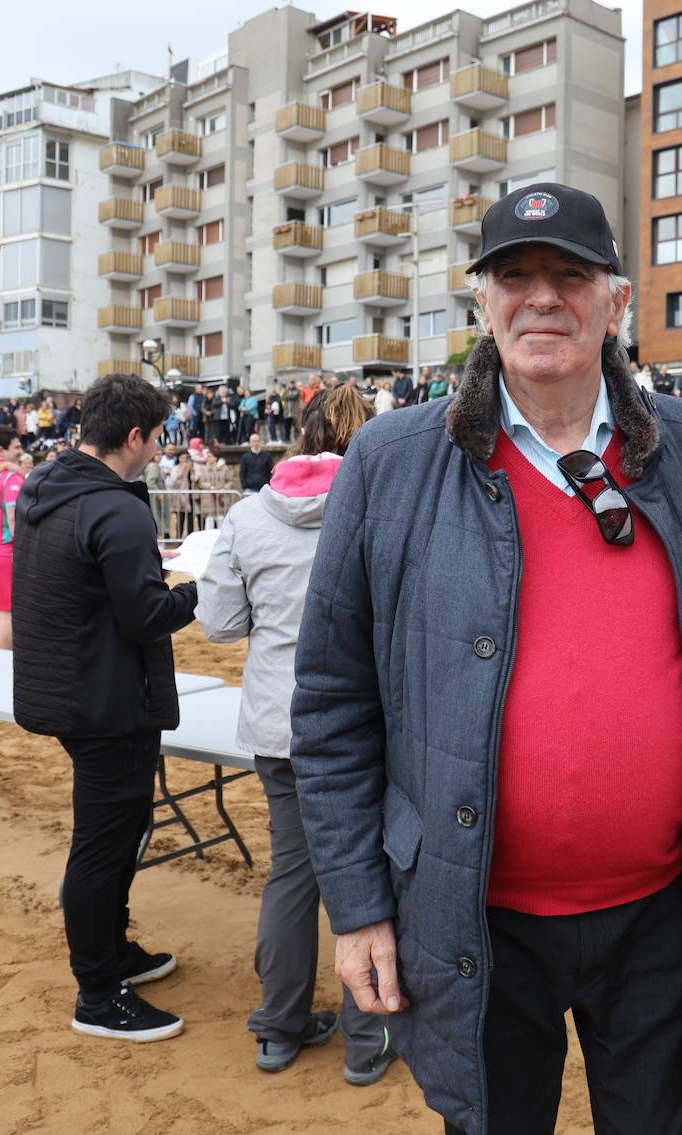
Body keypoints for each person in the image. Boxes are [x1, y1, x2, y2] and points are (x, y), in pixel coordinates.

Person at [289, 182, 682, 1134]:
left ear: (616, 301)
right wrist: (358, 906)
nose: (542, 297)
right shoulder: (393, 461)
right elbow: (330, 702)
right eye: (515, 275)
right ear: (481, 302)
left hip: (662, 914)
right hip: (470, 921)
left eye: (570, 274)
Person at [196, 386, 394, 1083]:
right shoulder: (379, 503)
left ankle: (280, 1026)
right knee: (369, 871)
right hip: (365, 722)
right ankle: (368, 1038)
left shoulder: (249, 515)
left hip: (280, 722)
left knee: (293, 872)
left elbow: (219, 622)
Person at [11, 373, 198, 1041]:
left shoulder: (44, 483)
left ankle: (112, 952)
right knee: (102, 844)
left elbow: (86, 584)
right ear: (134, 436)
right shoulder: (116, 509)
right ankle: (97, 992)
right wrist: (197, 587)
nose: (159, 449)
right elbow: (145, 616)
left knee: (122, 829)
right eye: (157, 438)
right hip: (105, 700)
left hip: (68, 687)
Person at [0, 427, 26, 649]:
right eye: (16, 447)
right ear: (0, 450)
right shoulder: (11, 477)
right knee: (9, 617)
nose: (21, 451)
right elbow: (13, 519)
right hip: (6, 553)